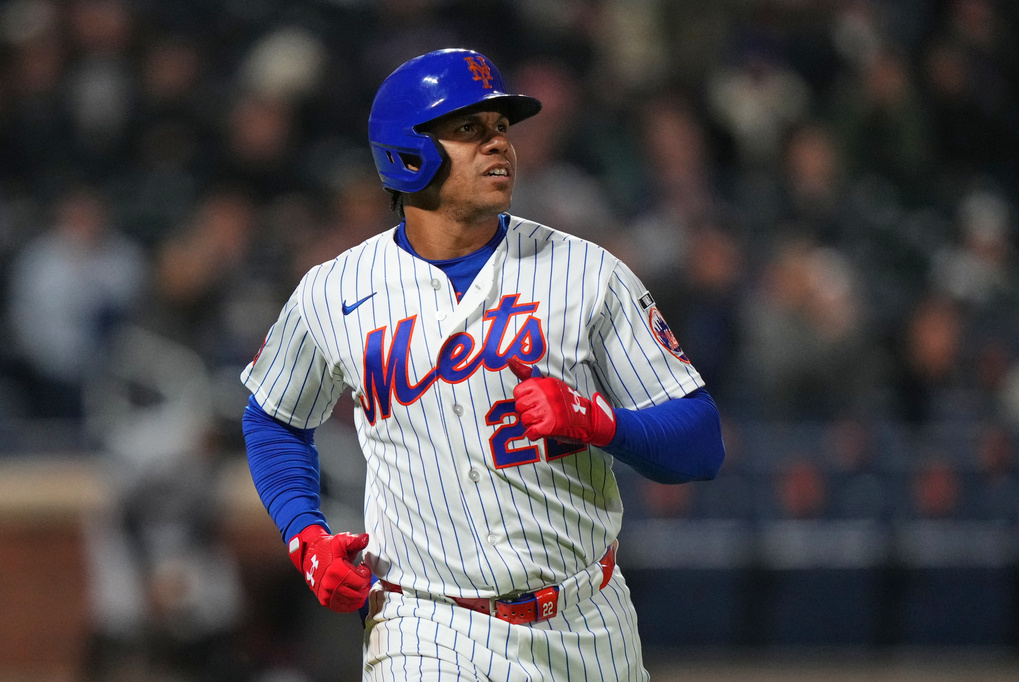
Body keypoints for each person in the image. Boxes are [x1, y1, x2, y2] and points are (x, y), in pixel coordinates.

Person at [240, 48, 725, 681]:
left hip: (587, 616)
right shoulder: (334, 290)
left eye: (501, 127)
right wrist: (305, 534)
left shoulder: (587, 273)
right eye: (469, 128)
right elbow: (273, 418)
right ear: (407, 153)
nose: (499, 144)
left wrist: (601, 423)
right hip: (425, 623)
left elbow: (701, 442)